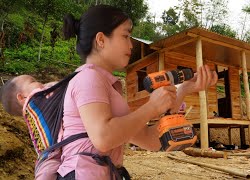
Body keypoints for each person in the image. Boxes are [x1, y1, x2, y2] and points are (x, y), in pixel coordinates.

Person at [58, 5, 218, 179]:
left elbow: (151, 140)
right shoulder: (88, 77)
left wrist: (184, 89)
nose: (131, 44)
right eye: (125, 36)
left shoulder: (107, 86)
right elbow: (103, 137)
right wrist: (151, 107)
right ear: (101, 40)